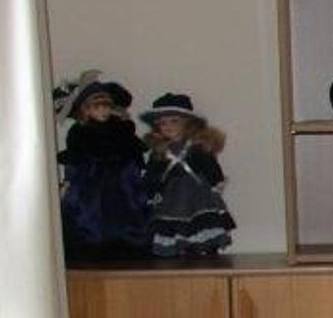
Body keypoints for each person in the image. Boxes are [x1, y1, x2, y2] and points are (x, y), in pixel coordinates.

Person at [54, 69, 150, 259]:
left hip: (121, 183)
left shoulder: (122, 130)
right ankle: (90, 245)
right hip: (91, 184)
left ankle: (125, 245)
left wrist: (136, 181)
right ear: (85, 110)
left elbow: (133, 157)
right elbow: (75, 160)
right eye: (96, 107)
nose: (103, 111)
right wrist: (69, 183)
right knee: (90, 216)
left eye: (106, 107)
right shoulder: (80, 133)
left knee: (122, 215)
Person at [138, 91, 235, 259]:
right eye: (163, 123)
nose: (168, 126)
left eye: (174, 121)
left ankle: (203, 246)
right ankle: (178, 247)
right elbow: (153, 173)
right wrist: (150, 189)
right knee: (171, 222)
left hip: (197, 193)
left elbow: (209, 165)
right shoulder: (159, 151)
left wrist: (216, 180)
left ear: (188, 124)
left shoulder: (196, 147)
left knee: (201, 221)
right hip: (171, 195)